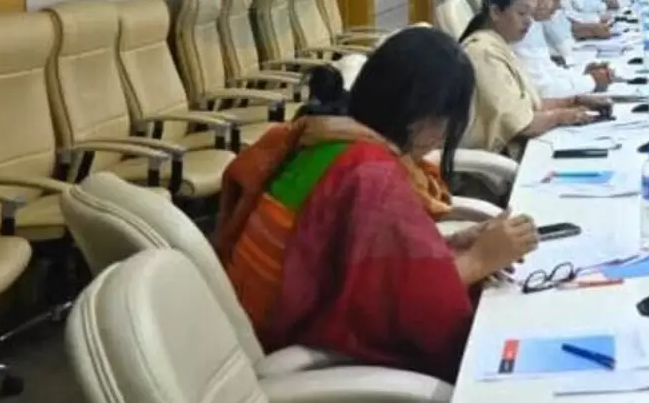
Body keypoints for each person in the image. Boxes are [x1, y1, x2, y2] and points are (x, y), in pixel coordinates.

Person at [214, 29, 538, 383]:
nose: (443, 137)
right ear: (420, 116)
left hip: (255, 318)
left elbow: (358, 259)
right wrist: (479, 260)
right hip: (288, 336)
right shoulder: (369, 172)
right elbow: (408, 311)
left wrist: (449, 247)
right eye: (444, 123)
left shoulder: (329, 134)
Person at [460, 0, 595, 156]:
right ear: (496, 12)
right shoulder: (483, 53)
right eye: (522, 13)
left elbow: (528, 107)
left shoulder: (499, 45)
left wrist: (573, 101)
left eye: (531, 14)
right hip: (496, 161)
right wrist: (562, 116)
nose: (529, 21)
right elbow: (521, 125)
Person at [511, 0, 614, 99]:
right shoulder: (518, 29)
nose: (559, 5)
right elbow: (543, 91)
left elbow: (548, 70)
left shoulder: (534, 25)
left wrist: (582, 74)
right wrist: (591, 81)